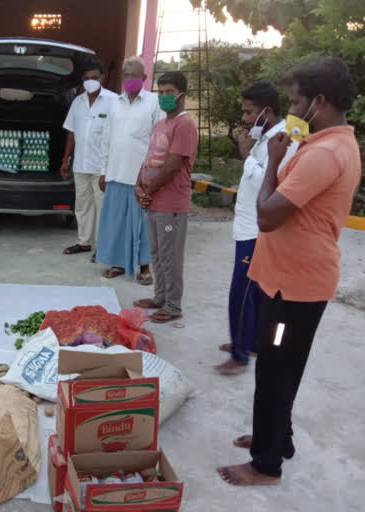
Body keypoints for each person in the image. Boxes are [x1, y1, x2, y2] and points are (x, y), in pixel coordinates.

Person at [217, 57, 361, 486]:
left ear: (319, 102)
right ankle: (277, 437)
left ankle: (266, 464)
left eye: (297, 100)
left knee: (276, 371)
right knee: (282, 367)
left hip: (296, 286)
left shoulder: (326, 153)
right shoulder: (326, 145)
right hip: (284, 278)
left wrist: (275, 162)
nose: (292, 109)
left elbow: (267, 215)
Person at [215, 81, 297, 375]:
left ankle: (240, 354)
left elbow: (273, 183)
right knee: (256, 291)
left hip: (258, 229)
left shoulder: (284, 141)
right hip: (249, 224)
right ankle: (251, 342)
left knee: (242, 291)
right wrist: (249, 154)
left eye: (249, 113)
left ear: (268, 111)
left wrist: (247, 155)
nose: (245, 119)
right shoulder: (267, 136)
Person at [132, 71, 198, 323]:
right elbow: (149, 158)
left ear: (182, 94)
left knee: (171, 256)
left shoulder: (185, 124)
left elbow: (172, 165)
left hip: (171, 203)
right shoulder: (160, 124)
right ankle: (159, 297)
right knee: (157, 253)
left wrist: (148, 191)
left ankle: (173, 305)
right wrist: (139, 187)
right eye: (161, 92)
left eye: (169, 92)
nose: (164, 97)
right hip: (153, 200)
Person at [96, 56, 164, 283]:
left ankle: (144, 267)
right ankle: (118, 263)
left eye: (135, 75)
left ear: (144, 78)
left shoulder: (154, 103)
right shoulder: (115, 102)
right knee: (116, 220)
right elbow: (106, 137)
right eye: (126, 75)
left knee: (143, 223)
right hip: (115, 171)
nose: (130, 80)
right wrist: (103, 170)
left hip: (141, 175)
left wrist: (152, 174)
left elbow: (159, 140)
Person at [60, 57, 117, 258]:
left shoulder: (113, 101)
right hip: (81, 163)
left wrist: (109, 169)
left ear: (102, 77)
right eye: (86, 78)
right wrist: (65, 159)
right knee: (82, 206)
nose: (90, 81)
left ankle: (102, 247)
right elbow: (71, 133)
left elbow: (118, 136)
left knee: (102, 207)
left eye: (94, 77)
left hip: (103, 167)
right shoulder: (78, 101)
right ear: (82, 80)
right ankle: (84, 242)